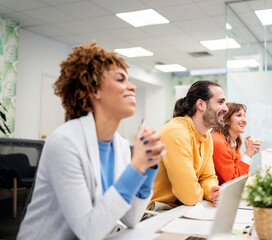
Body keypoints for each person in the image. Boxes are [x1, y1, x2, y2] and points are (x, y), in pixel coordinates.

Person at [17, 43, 166, 240]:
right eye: (121, 79)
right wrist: (136, 166)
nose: (132, 86)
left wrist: (148, 167)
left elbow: (131, 218)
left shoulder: (119, 144)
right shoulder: (65, 142)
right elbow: (89, 231)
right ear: (94, 90)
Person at [148, 80, 228, 210]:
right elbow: (189, 196)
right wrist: (200, 190)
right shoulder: (176, 133)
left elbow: (208, 176)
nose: (226, 108)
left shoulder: (205, 136)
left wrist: (212, 190)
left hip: (181, 208)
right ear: (201, 105)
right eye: (220, 102)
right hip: (156, 212)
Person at [211, 102, 262, 185]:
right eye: (238, 115)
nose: (244, 120)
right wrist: (248, 153)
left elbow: (241, 177)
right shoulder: (218, 142)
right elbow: (233, 181)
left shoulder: (233, 143)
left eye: (244, 116)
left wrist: (249, 153)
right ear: (226, 119)